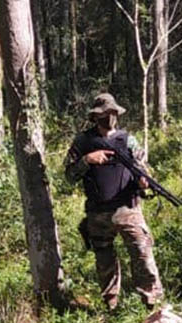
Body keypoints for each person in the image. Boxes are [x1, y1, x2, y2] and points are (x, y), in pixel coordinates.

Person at [64, 93, 164, 311]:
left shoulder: (128, 140)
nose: (109, 118)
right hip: (98, 212)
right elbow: (69, 175)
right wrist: (87, 160)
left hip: (128, 208)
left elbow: (142, 168)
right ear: (95, 117)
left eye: (112, 113)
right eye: (104, 114)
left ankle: (151, 300)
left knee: (142, 252)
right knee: (104, 259)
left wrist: (143, 182)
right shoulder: (83, 142)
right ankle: (111, 304)